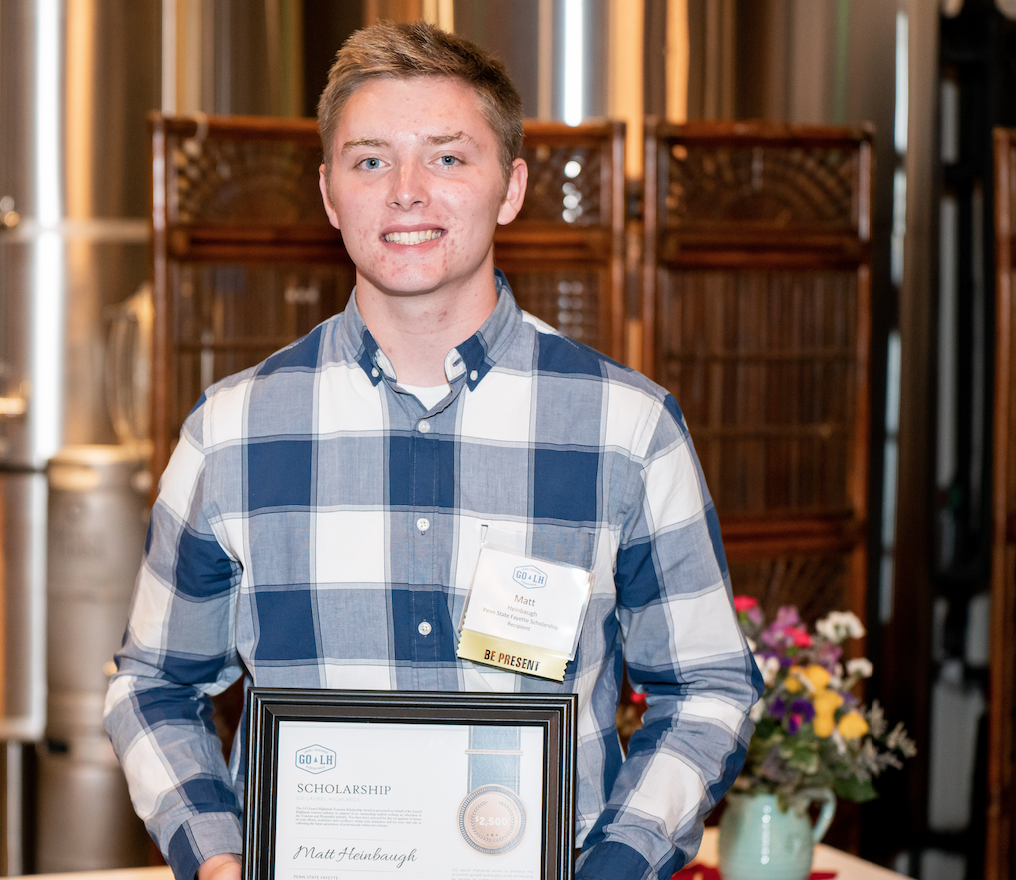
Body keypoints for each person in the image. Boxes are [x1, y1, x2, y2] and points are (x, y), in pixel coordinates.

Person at [104, 20, 761, 880]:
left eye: (448, 158)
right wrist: (218, 857)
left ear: (511, 186)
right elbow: (152, 684)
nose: (407, 191)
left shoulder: (626, 428)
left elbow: (708, 687)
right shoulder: (232, 431)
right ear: (331, 194)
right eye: (370, 160)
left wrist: (614, 866)